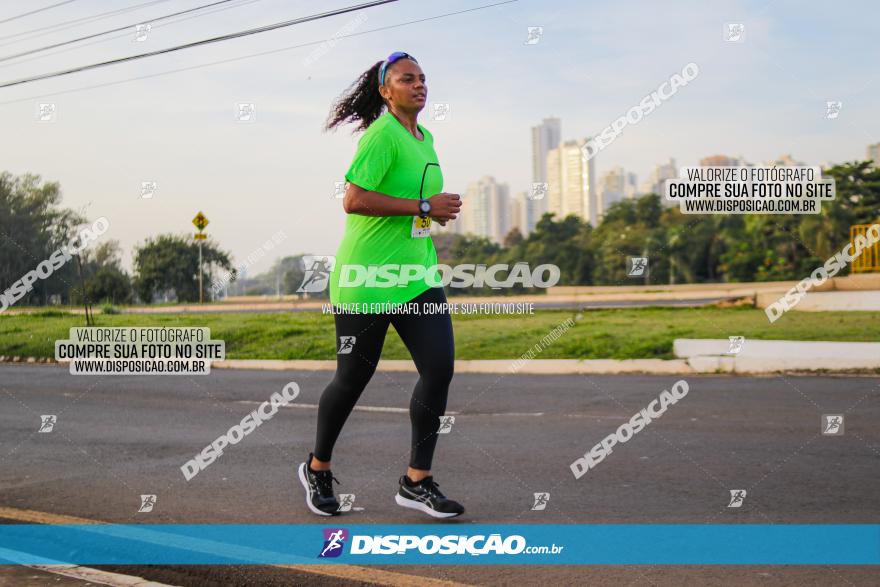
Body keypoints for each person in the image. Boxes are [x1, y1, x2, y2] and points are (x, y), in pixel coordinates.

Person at [297, 51, 465, 518]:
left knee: (439, 368)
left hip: (415, 278)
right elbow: (353, 200)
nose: (419, 85)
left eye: (423, 78)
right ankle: (318, 467)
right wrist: (426, 208)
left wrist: (430, 214)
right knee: (353, 378)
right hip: (366, 279)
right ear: (386, 91)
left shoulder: (424, 137)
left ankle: (417, 481)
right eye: (407, 79)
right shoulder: (381, 135)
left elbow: (414, 205)